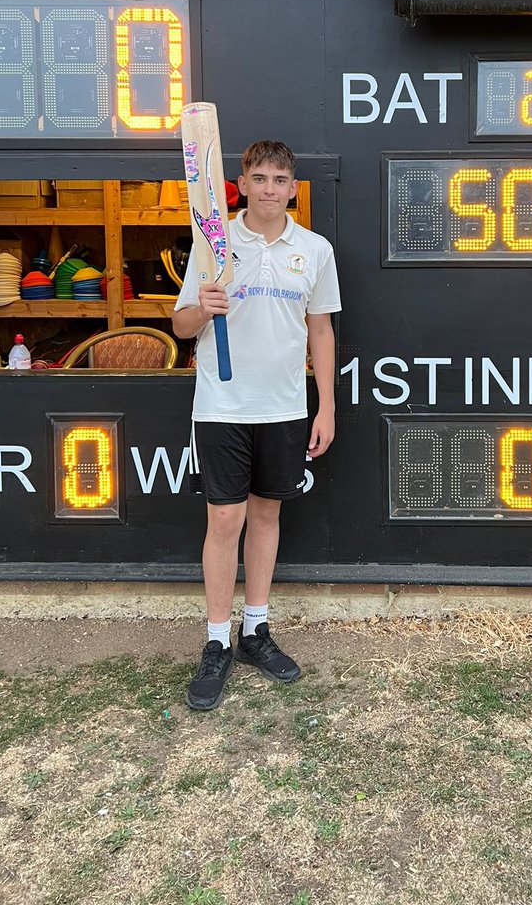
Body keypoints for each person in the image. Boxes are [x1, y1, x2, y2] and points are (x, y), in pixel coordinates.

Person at [173, 140, 341, 711]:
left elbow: (321, 331)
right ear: (242, 184)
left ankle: (255, 630)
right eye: (260, 178)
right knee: (225, 519)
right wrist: (204, 308)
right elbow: (180, 325)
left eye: (280, 179)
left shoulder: (314, 250)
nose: (270, 188)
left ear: (293, 188)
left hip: (285, 407)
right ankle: (217, 640)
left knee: (267, 515)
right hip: (222, 405)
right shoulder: (212, 245)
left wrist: (325, 406)